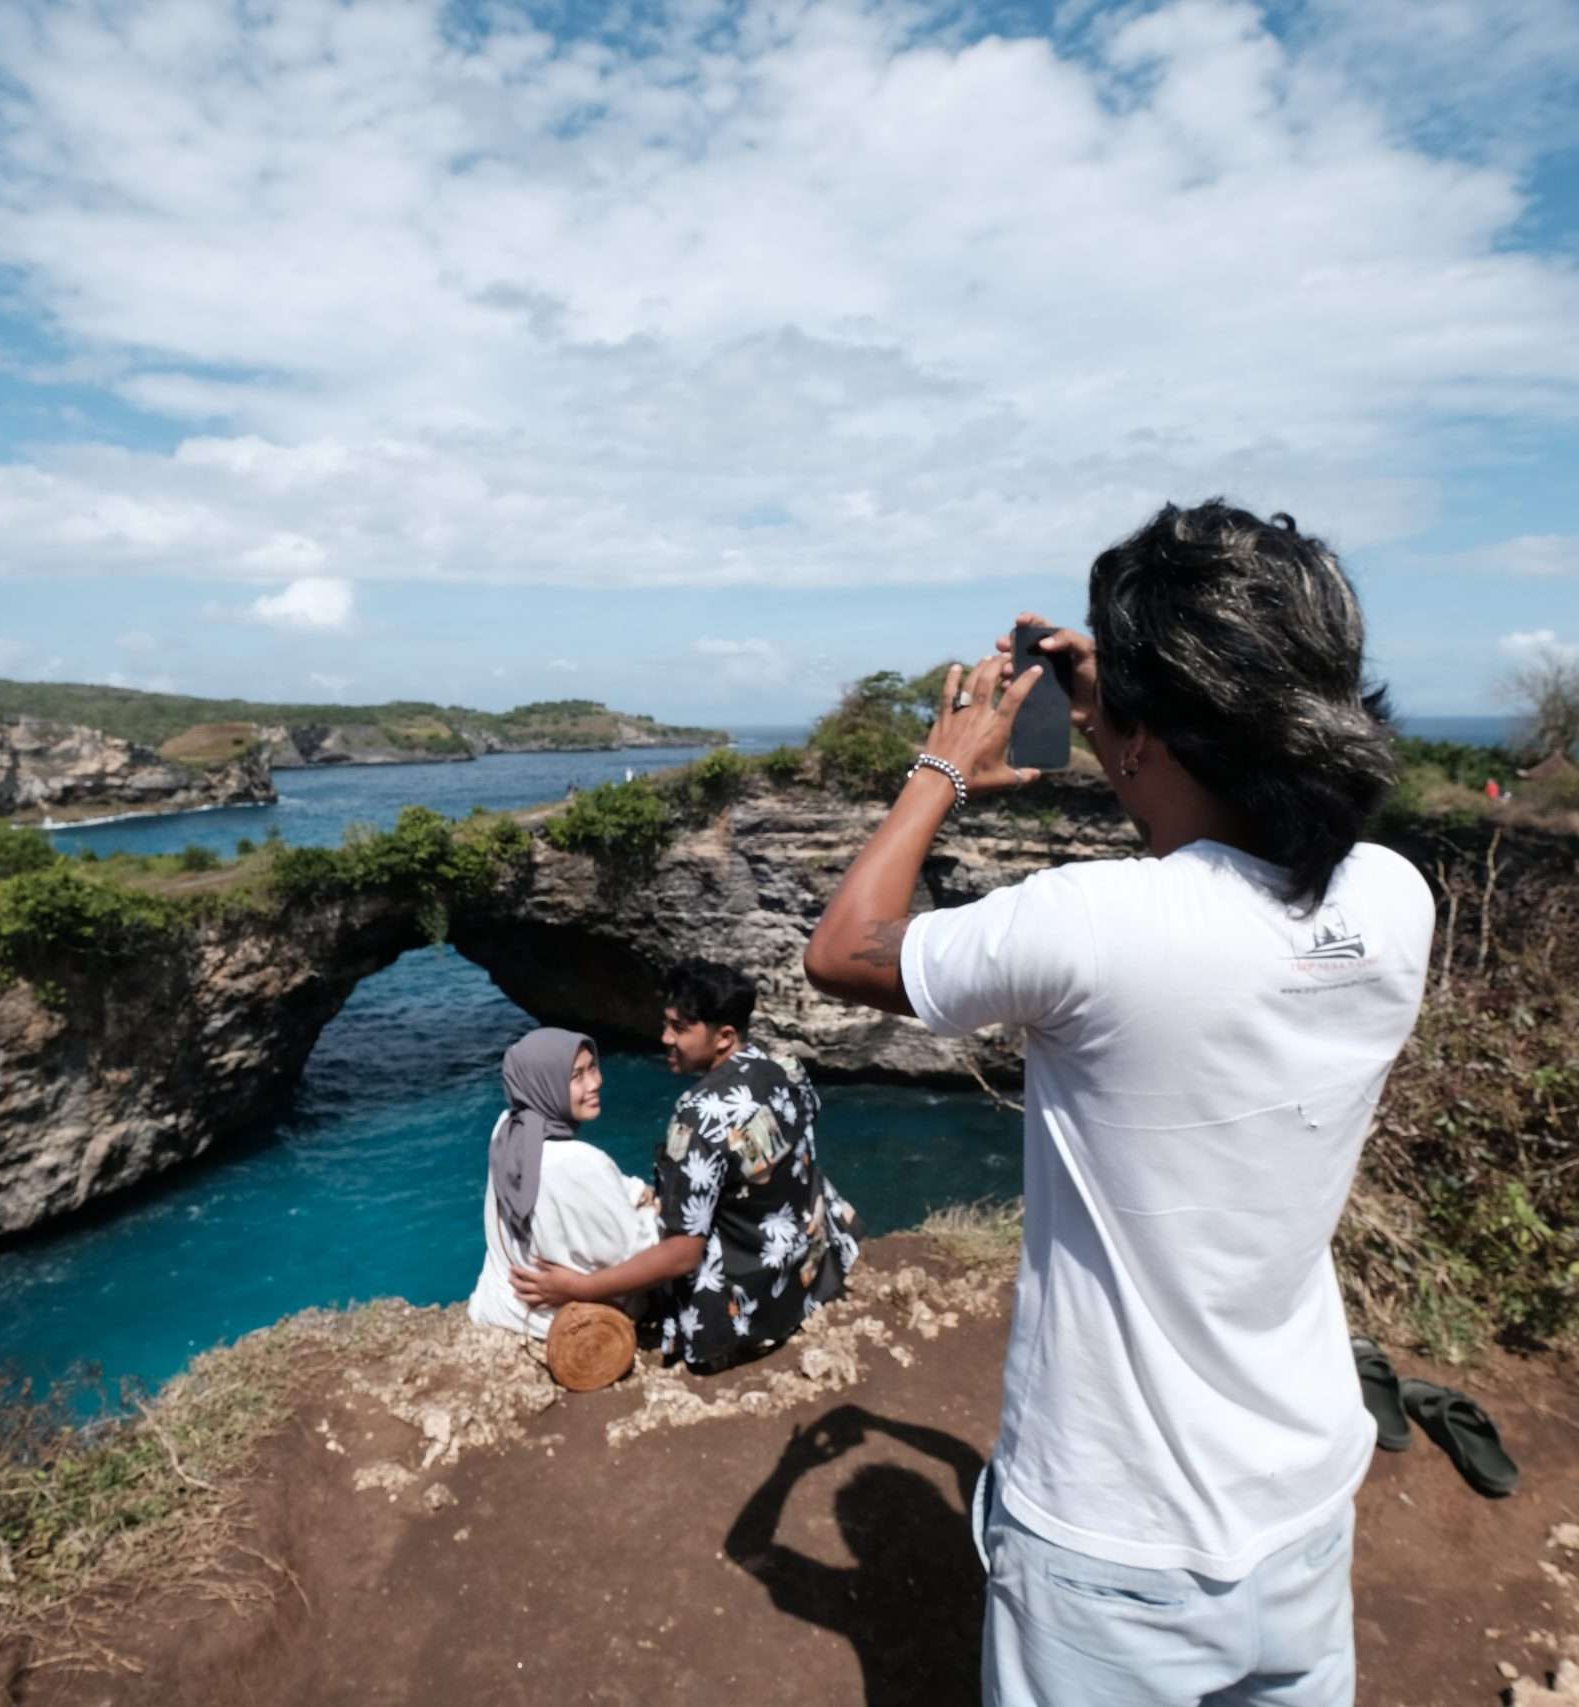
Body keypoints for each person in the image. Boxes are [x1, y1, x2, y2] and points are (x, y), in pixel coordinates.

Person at [803, 500, 1433, 1707]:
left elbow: (846, 948)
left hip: (1114, 1539)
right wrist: (1129, 713)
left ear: (1144, 734)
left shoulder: (1096, 927)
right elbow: (1264, 847)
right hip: (1301, 1499)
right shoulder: (1396, 901)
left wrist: (946, 764)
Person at [512, 958, 860, 1370]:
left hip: (754, 1305)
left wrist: (580, 1287)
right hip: (812, 1263)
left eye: (679, 1028)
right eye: (667, 1024)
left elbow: (683, 1255)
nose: (664, 1038)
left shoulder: (698, 1116)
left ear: (724, 1037)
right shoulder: (785, 1068)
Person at [467, 1027, 661, 1339]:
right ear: (546, 1082)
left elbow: (581, 1188)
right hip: (558, 1322)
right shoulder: (581, 1162)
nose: (596, 1082)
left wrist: (634, 1192)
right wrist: (655, 1212)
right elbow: (638, 1255)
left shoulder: (508, 1129)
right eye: (576, 1076)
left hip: (502, 1306)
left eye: (593, 1068)